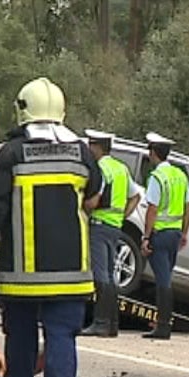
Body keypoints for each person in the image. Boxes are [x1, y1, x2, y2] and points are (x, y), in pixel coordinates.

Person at [0, 77, 103, 377]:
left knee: (22, 337)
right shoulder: (81, 152)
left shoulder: (11, 154)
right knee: (61, 335)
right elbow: (94, 198)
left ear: (22, 110)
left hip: (22, 274)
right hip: (71, 273)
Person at [79, 129, 142, 338]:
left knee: (100, 276)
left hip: (99, 224)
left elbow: (95, 198)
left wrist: (84, 211)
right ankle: (112, 324)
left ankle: (100, 322)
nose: (89, 150)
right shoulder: (121, 168)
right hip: (115, 227)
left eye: (91, 146)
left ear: (97, 147)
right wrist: (122, 215)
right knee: (111, 275)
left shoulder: (101, 168)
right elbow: (135, 197)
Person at [140, 132, 189, 340]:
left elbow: (152, 209)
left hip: (160, 234)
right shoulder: (180, 175)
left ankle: (163, 325)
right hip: (175, 234)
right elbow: (188, 208)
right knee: (167, 276)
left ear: (153, 153)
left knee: (163, 280)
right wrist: (185, 232)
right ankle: (162, 322)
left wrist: (145, 237)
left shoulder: (157, 177)